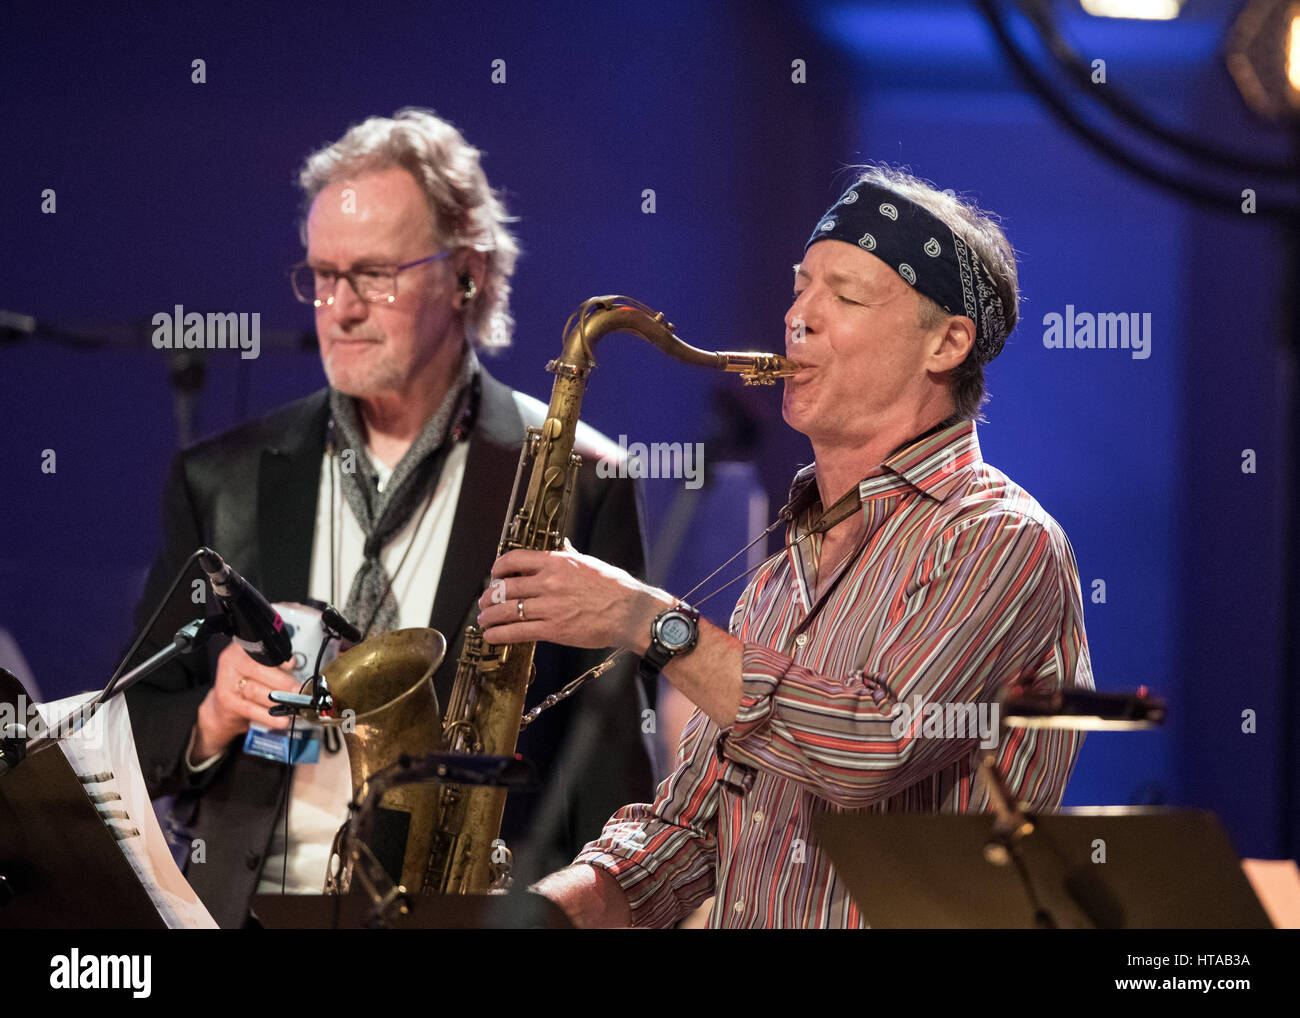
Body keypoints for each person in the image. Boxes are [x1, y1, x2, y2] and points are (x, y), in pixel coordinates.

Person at [476, 165, 1095, 928]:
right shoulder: (778, 579)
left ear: (947, 343)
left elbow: (870, 746)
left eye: (843, 296)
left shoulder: (1001, 543)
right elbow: (690, 834)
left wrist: (649, 621)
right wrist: (540, 913)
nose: (799, 317)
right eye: (801, 288)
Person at [124, 109, 654, 929]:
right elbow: (129, 725)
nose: (339, 307)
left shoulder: (580, 482)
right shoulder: (216, 478)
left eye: (374, 275)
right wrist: (213, 711)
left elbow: (607, 779)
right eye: (322, 276)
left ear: (467, 273)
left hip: (463, 910)